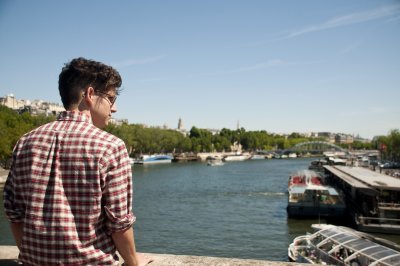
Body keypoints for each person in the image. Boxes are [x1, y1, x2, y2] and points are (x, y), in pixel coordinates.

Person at [3, 57, 153, 266]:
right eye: (111, 98)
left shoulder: (25, 142)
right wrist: (133, 262)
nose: (114, 108)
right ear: (91, 95)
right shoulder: (111, 146)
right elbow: (119, 224)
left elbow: (14, 213)